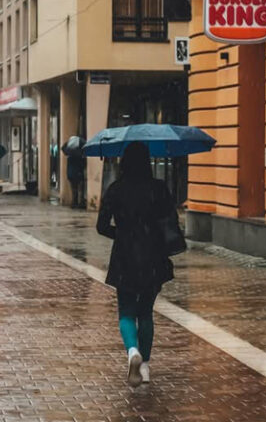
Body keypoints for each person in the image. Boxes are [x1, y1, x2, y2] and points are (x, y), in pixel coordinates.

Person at [96, 142, 175, 387]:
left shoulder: (116, 189)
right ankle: (145, 367)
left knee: (127, 310)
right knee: (146, 312)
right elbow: (170, 223)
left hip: (125, 256)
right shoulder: (158, 189)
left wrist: (121, 235)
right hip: (153, 255)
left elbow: (101, 226)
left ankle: (132, 351)